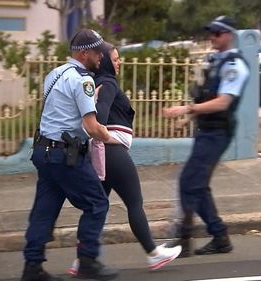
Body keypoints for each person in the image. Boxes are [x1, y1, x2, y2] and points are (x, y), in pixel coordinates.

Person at [67, 43, 181, 275]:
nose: (119, 63)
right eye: (116, 59)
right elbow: (99, 117)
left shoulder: (97, 82)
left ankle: (83, 259)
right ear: (106, 61)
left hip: (102, 153)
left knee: (98, 206)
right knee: (134, 202)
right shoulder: (107, 83)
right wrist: (107, 136)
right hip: (113, 153)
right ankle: (154, 254)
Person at [21, 29, 118, 281]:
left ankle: (32, 267)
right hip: (65, 155)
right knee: (97, 203)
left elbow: (61, 111)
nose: (101, 56)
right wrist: (110, 137)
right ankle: (87, 262)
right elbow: (90, 125)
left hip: (44, 152)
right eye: (97, 52)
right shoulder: (83, 80)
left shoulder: (55, 73)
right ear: (84, 54)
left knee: (45, 208)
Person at [162, 16, 250, 257]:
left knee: (188, 183)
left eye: (218, 33)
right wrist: (188, 118)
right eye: (211, 32)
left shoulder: (235, 66)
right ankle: (220, 237)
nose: (212, 36)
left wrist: (187, 110)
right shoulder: (215, 61)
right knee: (197, 185)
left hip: (218, 132)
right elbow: (205, 97)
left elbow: (223, 102)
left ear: (229, 35)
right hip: (207, 130)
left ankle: (183, 240)